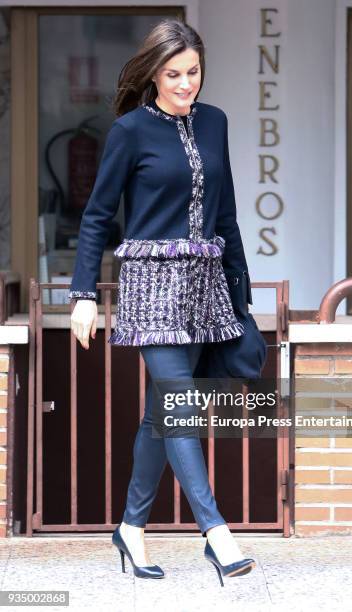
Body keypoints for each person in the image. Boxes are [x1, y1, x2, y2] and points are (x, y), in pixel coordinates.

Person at [69, 18, 255, 586]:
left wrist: (240, 293)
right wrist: (83, 295)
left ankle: (130, 527)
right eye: (172, 73)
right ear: (153, 74)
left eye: (192, 72)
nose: (184, 83)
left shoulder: (216, 122)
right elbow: (98, 214)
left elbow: (226, 214)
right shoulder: (129, 131)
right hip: (150, 286)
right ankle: (215, 532)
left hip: (203, 286)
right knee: (181, 406)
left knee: (160, 415)